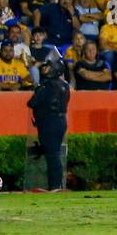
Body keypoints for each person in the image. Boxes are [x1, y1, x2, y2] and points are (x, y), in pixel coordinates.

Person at [27, 55, 70, 191]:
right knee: (55, 153)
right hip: (61, 121)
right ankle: (56, 184)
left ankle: (55, 185)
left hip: (48, 122)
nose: (45, 69)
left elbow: (32, 102)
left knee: (52, 155)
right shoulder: (64, 85)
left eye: (48, 67)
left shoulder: (47, 85)